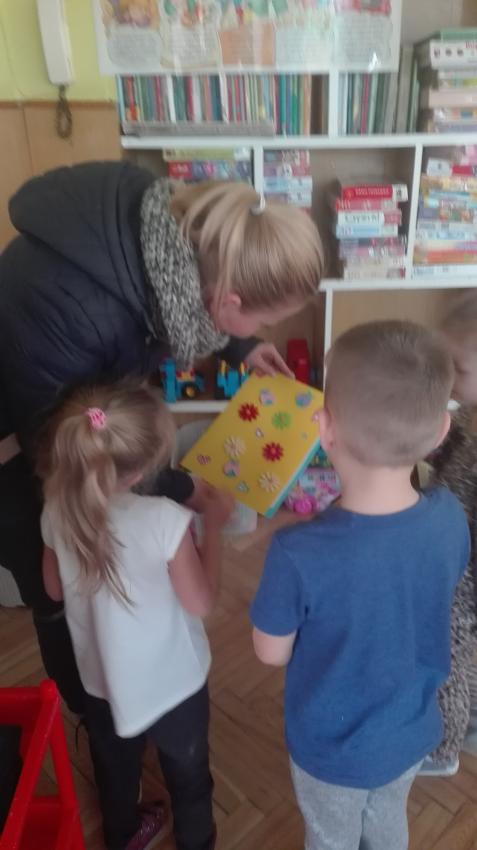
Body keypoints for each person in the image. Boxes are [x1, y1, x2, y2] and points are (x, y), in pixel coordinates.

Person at [0, 162, 324, 716]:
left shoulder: (174, 233)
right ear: (229, 303)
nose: (263, 331)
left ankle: (119, 705)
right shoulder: (79, 313)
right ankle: (95, 717)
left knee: (92, 561)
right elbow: (72, 455)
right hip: (25, 432)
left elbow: (193, 298)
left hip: (66, 404)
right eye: (263, 321)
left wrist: (241, 348)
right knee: (50, 578)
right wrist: (177, 486)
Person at [250, 320, 470, 850]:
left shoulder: (297, 551)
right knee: (388, 818)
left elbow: (269, 653)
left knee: (332, 836)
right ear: (441, 431)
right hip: (412, 732)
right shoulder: (449, 516)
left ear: (324, 428)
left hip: (331, 749)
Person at [37, 379, 234, 850]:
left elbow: (52, 589)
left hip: (101, 682)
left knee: (115, 771)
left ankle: (123, 835)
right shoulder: (164, 520)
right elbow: (201, 602)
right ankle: (196, 842)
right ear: (145, 468)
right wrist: (213, 528)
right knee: (188, 775)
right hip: (174, 686)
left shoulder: (56, 511)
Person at [420, 291, 477, 774]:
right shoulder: (469, 410)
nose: (450, 376)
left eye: (460, 367)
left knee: (450, 666)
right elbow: (448, 446)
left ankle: (442, 752)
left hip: (463, 583)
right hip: (446, 552)